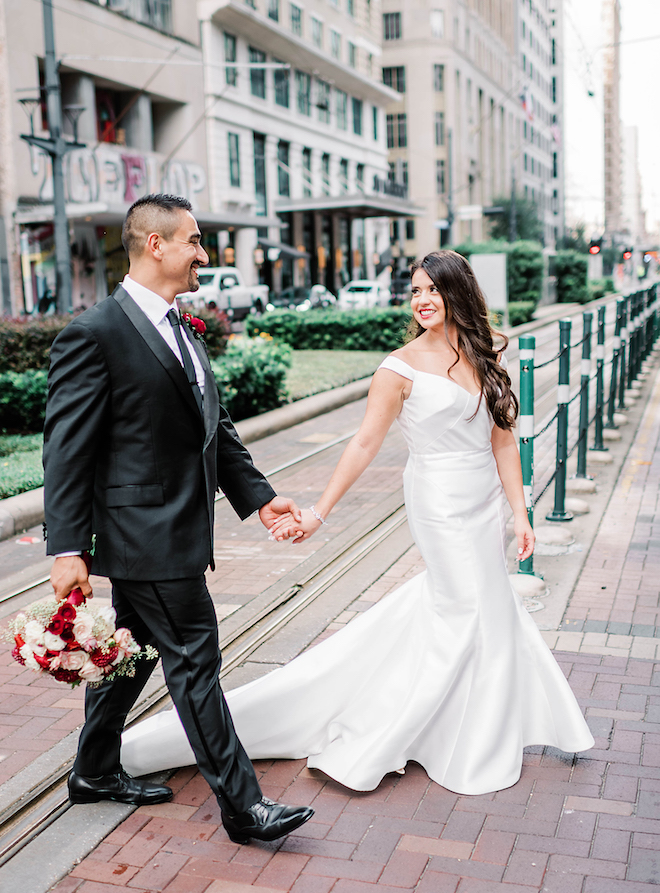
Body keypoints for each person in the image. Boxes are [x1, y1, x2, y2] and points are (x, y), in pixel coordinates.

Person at [120, 250, 594, 796]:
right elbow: (365, 443)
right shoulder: (397, 368)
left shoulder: (483, 357)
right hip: (437, 500)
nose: (422, 301)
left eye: (433, 290)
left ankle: (469, 722)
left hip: (483, 500)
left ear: (458, 293)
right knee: (464, 605)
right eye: (415, 291)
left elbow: (503, 439)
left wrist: (520, 510)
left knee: (482, 603)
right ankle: (422, 731)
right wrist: (319, 511)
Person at [43, 193, 313, 844]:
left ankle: (93, 769)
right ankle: (245, 807)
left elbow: (211, 428)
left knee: (131, 653)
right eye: (194, 240)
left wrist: (259, 496)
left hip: (169, 531)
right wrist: (66, 547)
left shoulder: (180, 325)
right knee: (195, 656)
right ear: (155, 245)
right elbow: (67, 447)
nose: (204, 253)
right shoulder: (96, 333)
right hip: (146, 535)